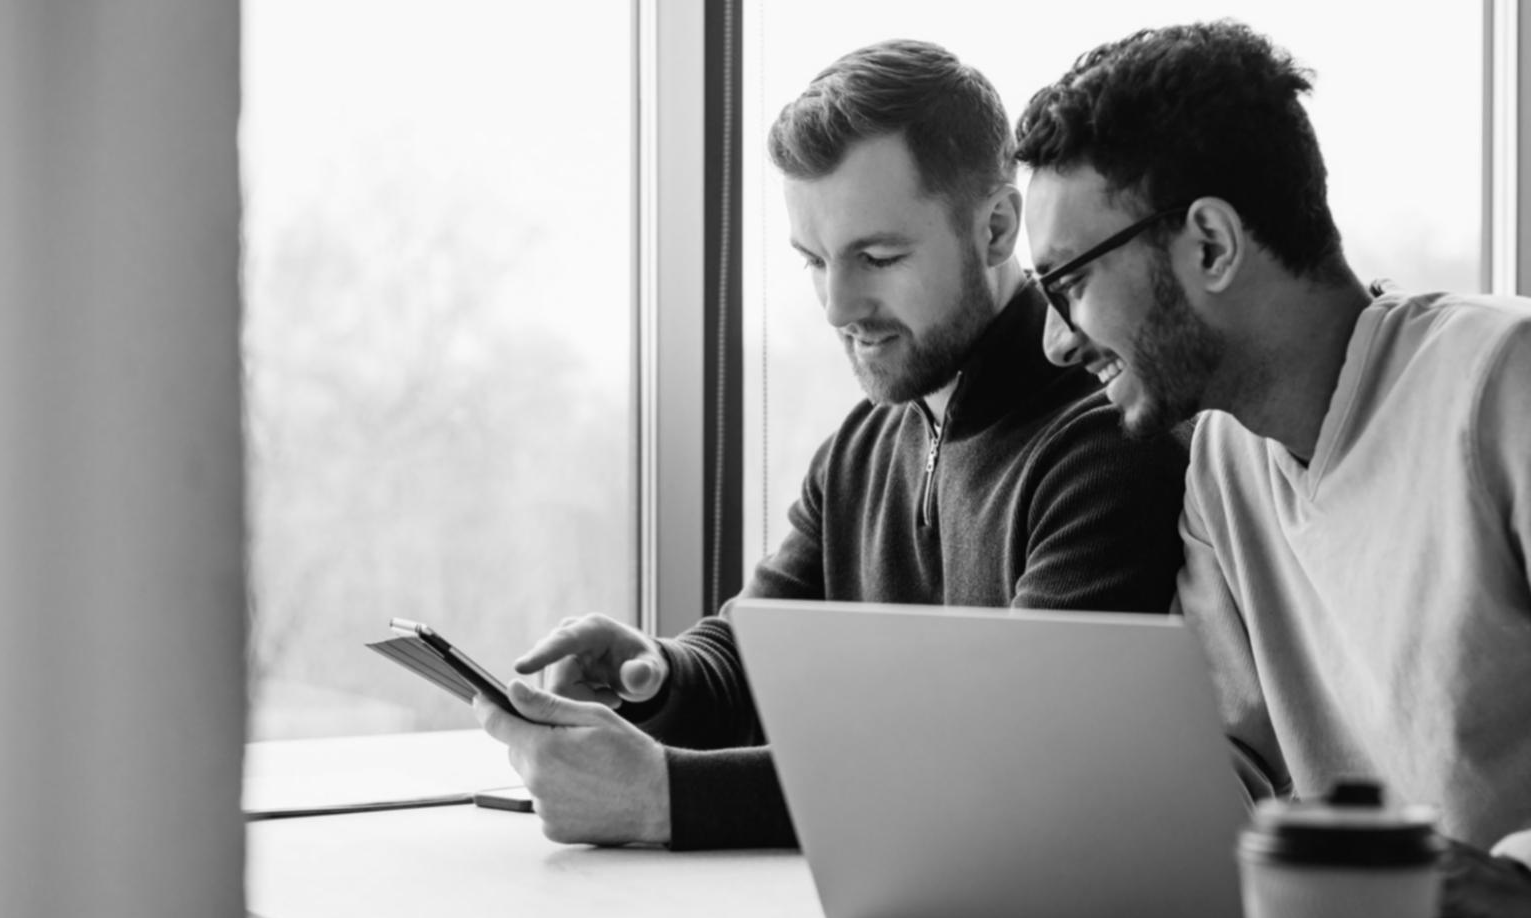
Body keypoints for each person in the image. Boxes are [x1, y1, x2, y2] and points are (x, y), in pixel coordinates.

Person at [1015, 20, 1531, 918]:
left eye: (1067, 283)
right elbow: (1230, 764)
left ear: (1212, 244)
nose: (1055, 341)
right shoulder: (1226, 466)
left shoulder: (1516, 385)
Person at [473, 39, 1187, 851]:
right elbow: (752, 662)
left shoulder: (1107, 443)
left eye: (877, 258)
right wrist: (655, 675)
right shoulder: (861, 449)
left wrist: (665, 799)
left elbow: (1005, 763)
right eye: (815, 262)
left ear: (995, 228)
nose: (838, 306)